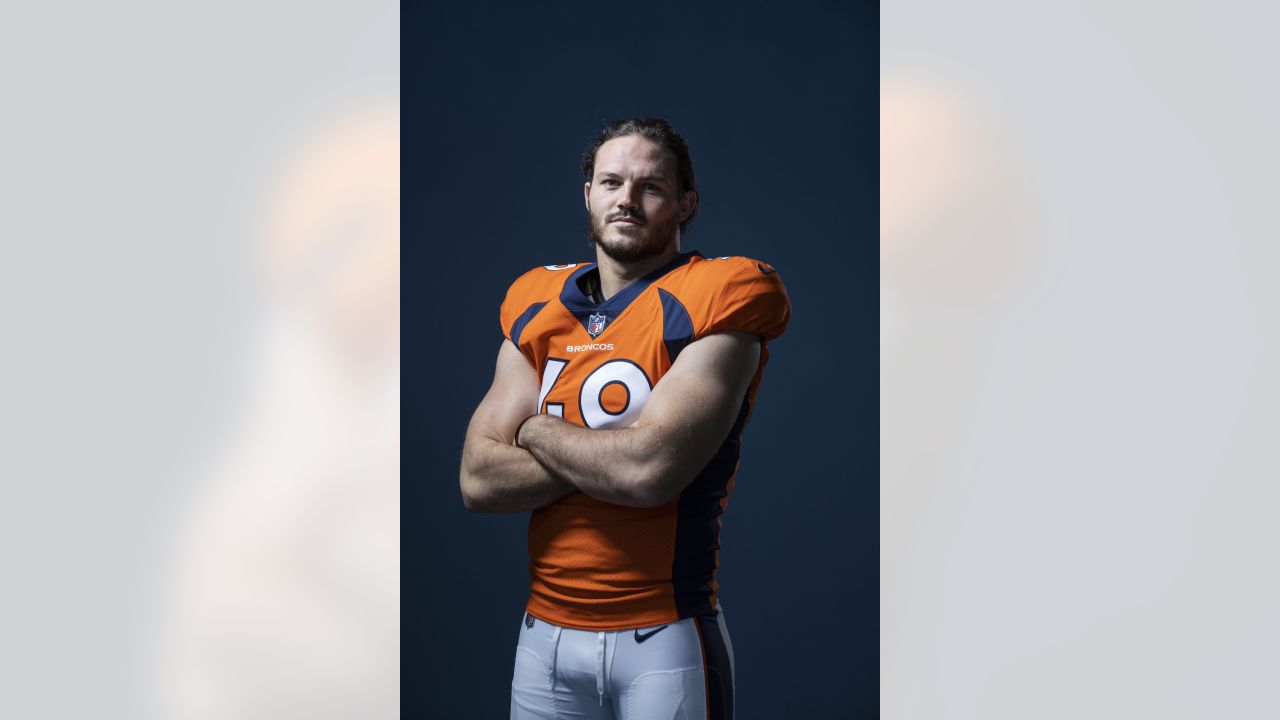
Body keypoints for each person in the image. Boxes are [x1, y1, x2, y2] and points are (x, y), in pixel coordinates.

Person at [459, 117, 790, 720]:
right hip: (542, 637)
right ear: (588, 193)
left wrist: (533, 430)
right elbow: (479, 479)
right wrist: (611, 453)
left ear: (686, 203)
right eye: (611, 182)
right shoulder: (536, 299)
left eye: (652, 187)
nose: (627, 200)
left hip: (663, 636)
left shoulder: (722, 292)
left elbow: (648, 472)